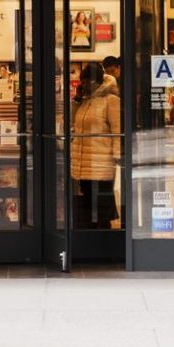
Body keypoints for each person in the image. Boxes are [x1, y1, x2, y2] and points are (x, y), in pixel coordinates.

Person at [70, 63, 121, 229]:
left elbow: (117, 129)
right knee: (87, 207)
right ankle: (89, 241)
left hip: (101, 164)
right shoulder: (86, 101)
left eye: (86, 81)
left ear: (95, 81)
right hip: (84, 164)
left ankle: (104, 243)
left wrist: (117, 156)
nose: (83, 85)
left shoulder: (110, 100)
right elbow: (72, 122)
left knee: (101, 208)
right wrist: (77, 99)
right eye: (82, 82)